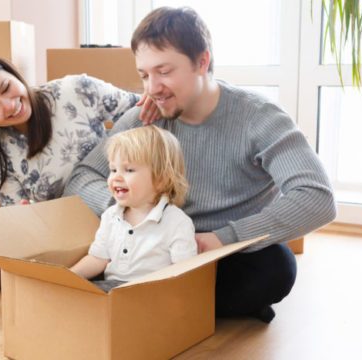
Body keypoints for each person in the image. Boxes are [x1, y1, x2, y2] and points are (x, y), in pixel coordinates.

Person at [65, 7, 337, 323]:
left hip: (221, 253)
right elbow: (82, 177)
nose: (152, 88)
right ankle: (173, 304)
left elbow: (317, 198)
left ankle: (146, 302)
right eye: (144, 75)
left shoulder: (259, 117)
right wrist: (130, 205)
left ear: (202, 62)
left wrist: (221, 239)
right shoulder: (146, 118)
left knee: (277, 267)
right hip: (148, 249)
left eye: (164, 72)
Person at [0, 53, 158, 295]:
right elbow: (18, 218)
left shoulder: (75, 90)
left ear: (13, 73)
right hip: (56, 236)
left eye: (6, 88)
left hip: (114, 213)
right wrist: (23, 215)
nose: (10, 106)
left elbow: (141, 111)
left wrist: (154, 92)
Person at [70, 126, 197, 292]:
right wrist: (68, 276)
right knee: (79, 293)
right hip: (113, 291)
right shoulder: (110, 216)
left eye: (129, 170)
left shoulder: (176, 222)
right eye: (113, 169)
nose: (116, 177)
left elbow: (185, 275)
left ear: (161, 179)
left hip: (152, 293)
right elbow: (97, 259)